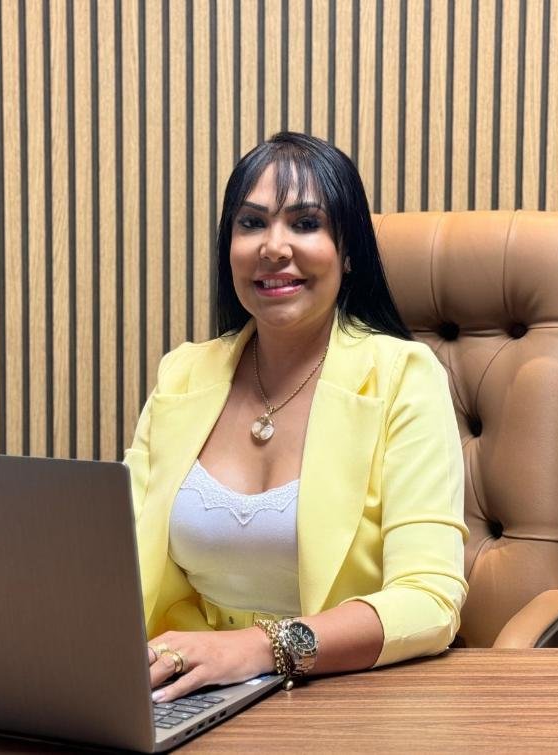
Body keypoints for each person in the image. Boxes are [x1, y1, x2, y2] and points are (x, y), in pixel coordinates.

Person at [124, 132, 467, 702]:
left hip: (345, 695)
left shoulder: (404, 377)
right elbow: (120, 557)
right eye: (252, 223)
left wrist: (261, 648)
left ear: (348, 251)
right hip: (186, 694)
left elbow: (429, 600)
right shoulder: (182, 375)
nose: (273, 247)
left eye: (305, 223)